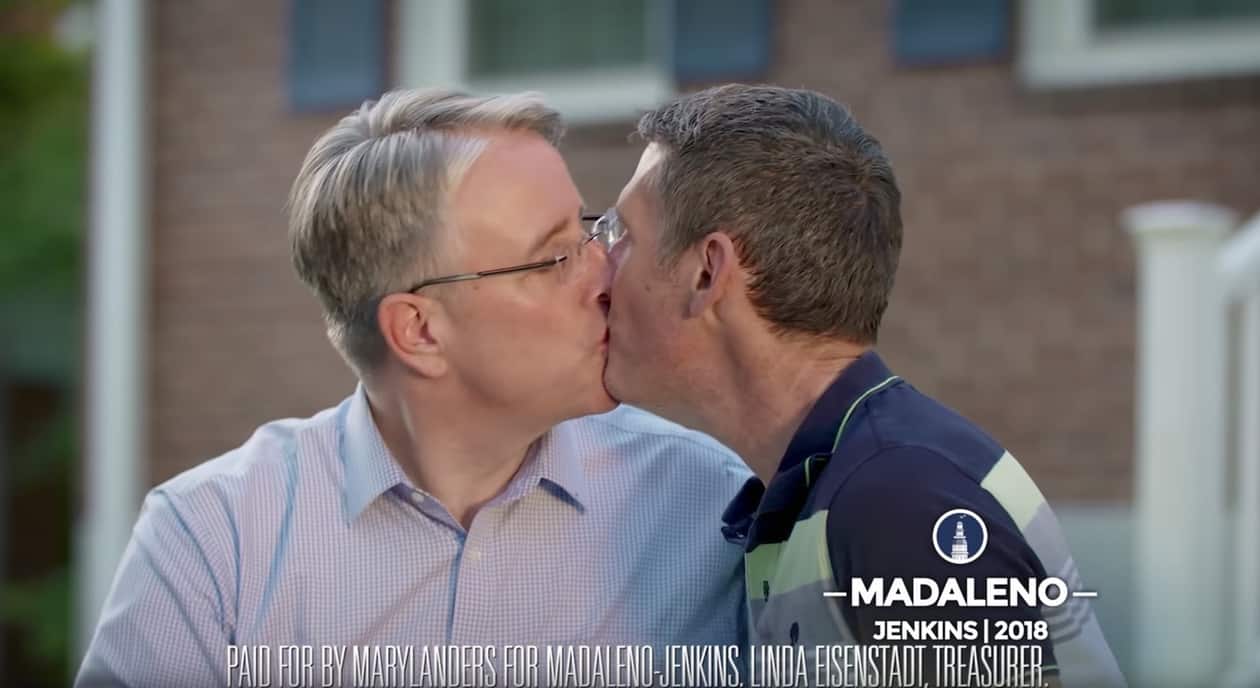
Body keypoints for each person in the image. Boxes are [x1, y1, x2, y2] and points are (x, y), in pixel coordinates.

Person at [77, 88, 750, 687]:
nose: (608, 276)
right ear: (420, 331)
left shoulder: (712, 509)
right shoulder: (214, 541)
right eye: (555, 257)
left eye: (591, 230)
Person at [600, 84, 1126, 686]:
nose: (599, 267)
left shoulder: (900, 503)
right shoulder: (841, 487)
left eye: (622, 234)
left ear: (706, 272)